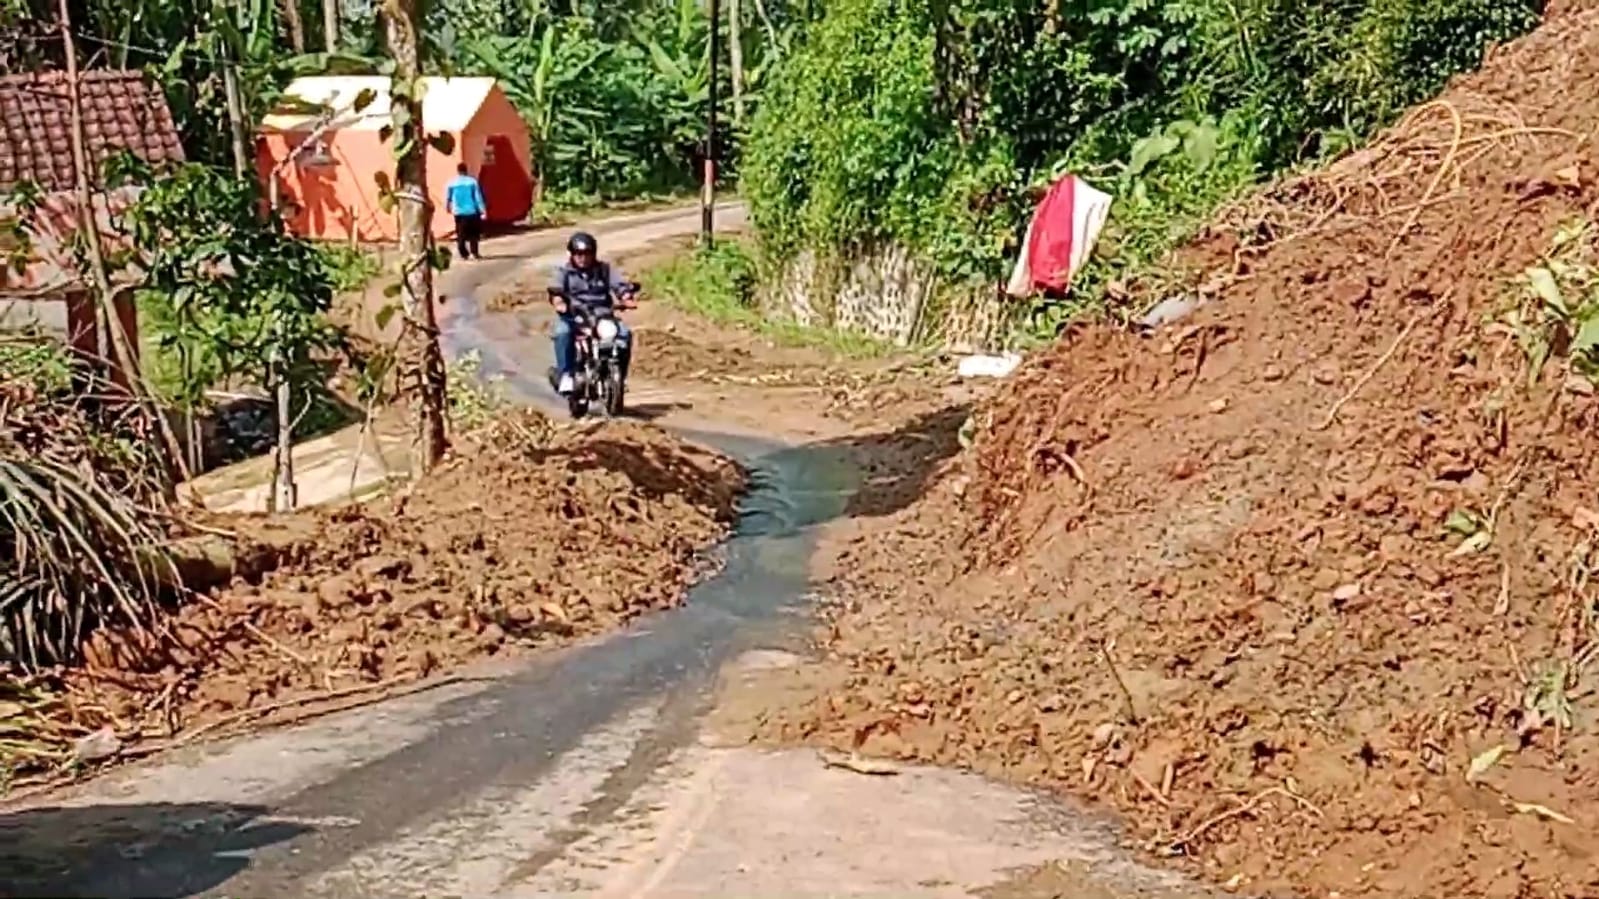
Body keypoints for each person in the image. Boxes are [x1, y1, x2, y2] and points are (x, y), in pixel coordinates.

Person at [547, 231, 635, 395]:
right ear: (572, 255)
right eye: (579, 254)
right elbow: (555, 290)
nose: (583, 258)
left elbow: (619, 285)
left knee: (624, 334)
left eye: (587, 254)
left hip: (602, 316)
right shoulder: (563, 272)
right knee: (562, 332)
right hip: (575, 316)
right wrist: (559, 302)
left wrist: (626, 296)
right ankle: (566, 375)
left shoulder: (604, 269)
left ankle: (620, 378)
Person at [445, 163, 486, 260]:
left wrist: (448, 207)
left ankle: (463, 252)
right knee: (473, 234)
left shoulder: (452, 183)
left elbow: (448, 197)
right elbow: (477, 197)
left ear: (458, 171)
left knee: (461, 234)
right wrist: (483, 210)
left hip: (459, 212)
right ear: (466, 170)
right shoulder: (472, 182)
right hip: (472, 211)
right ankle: (475, 253)